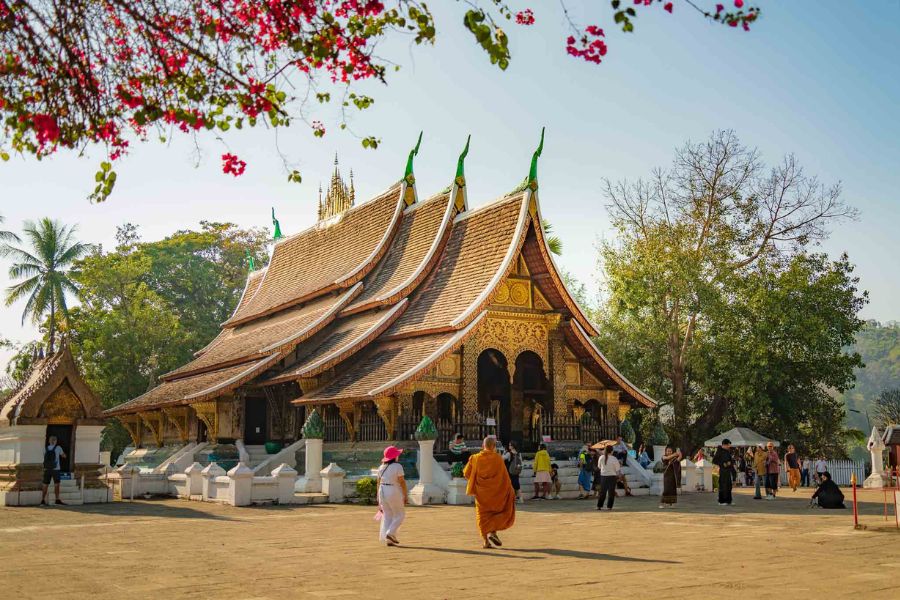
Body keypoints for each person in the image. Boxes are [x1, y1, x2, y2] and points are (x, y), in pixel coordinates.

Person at [463, 437, 516, 548]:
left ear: (483, 446)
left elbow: (466, 473)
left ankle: (485, 541)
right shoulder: (498, 458)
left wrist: (477, 480)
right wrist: (510, 490)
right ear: (494, 447)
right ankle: (493, 533)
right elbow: (505, 478)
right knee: (495, 513)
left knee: (482, 516)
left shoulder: (475, 458)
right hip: (496, 494)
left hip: (481, 494)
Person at [376, 446, 408, 546]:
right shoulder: (397, 466)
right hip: (393, 490)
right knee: (400, 514)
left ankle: (388, 539)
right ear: (394, 456)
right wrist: (405, 494)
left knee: (387, 515)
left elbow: (378, 483)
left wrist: (378, 497)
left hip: (382, 491)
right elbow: (402, 481)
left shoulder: (381, 467)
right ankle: (390, 533)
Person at [40, 435, 67, 506]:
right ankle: (57, 500)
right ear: (55, 441)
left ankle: (42, 500)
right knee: (56, 485)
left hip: (47, 469)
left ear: (49, 441)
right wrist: (65, 455)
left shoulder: (45, 448)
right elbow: (63, 455)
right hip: (56, 469)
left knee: (45, 485)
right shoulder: (58, 448)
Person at [596, 445, 621, 511]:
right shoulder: (614, 459)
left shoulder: (601, 457)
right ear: (612, 451)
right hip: (612, 477)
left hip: (603, 476)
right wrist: (619, 476)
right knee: (611, 493)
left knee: (602, 492)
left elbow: (599, 467)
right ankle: (609, 507)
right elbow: (618, 470)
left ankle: (599, 506)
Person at [712, 439, 736, 506]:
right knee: (723, 486)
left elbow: (730, 461)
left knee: (729, 486)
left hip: (728, 471)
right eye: (728, 445)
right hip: (722, 471)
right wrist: (723, 464)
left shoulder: (727, 451)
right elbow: (714, 461)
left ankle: (728, 500)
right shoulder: (719, 451)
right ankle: (721, 501)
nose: (729, 446)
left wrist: (730, 464)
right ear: (724, 445)